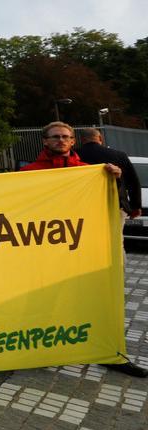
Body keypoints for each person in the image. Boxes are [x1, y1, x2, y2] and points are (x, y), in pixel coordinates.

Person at [19, 121, 144, 378]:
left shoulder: (92, 172)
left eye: (66, 136)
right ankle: (41, 347)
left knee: (101, 296)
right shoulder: (30, 172)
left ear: (73, 141)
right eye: (55, 137)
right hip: (48, 248)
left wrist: (115, 180)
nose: (61, 140)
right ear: (45, 141)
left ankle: (109, 350)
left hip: (86, 247)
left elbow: (112, 202)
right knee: (46, 298)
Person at [76, 128, 142, 219]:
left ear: (82, 139)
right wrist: (136, 206)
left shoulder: (74, 155)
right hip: (115, 204)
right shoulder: (119, 155)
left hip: (83, 205)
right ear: (100, 138)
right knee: (115, 233)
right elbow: (133, 182)